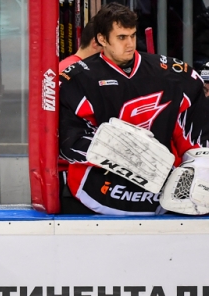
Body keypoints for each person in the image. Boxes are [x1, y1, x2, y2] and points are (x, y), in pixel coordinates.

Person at [59, 3, 209, 215]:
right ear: (102, 39)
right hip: (98, 189)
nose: (130, 44)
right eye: (121, 37)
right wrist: (119, 151)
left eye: (132, 35)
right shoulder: (78, 79)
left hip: (163, 190)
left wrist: (199, 162)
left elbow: (196, 130)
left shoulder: (171, 74)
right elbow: (68, 140)